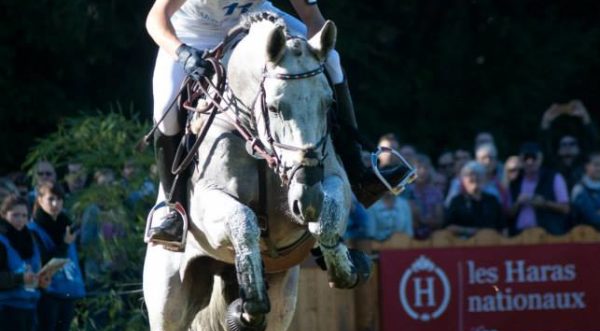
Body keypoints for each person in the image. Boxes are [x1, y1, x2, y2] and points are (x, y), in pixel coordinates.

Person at [144, 0, 413, 246]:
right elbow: (155, 19)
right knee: (166, 112)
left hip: (256, 24)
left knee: (331, 58)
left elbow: (314, 20)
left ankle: (359, 174)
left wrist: (315, 54)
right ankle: (173, 209)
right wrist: (183, 54)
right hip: (193, 34)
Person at [27, 181, 85, 331]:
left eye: (59, 199)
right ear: (39, 200)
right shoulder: (33, 229)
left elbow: (75, 259)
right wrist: (65, 244)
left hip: (69, 289)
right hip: (47, 292)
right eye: (50, 199)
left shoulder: (66, 224)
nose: (55, 204)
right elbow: (43, 262)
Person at [0, 195, 49, 331]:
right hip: (7, 309)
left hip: (29, 307)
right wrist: (20, 278)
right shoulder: (2, 241)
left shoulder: (30, 238)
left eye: (24, 215)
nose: (20, 219)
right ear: (3, 214)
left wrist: (41, 281)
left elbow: (35, 268)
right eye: (15, 215)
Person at [508, 142, 570, 235]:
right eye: (526, 158)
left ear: (540, 159)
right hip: (519, 236)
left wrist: (544, 203)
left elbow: (566, 208)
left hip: (547, 235)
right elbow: (507, 214)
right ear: (520, 160)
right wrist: (518, 203)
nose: (530, 162)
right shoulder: (515, 182)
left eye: (533, 158)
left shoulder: (554, 178)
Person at [540, 100, 598, 192]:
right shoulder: (553, 167)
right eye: (564, 144)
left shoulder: (584, 166)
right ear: (558, 150)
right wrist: (546, 121)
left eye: (572, 144)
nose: (568, 147)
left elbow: (593, 144)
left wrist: (585, 117)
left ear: (578, 148)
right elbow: (544, 148)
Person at [445, 161, 505, 238]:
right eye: (470, 175)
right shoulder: (457, 201)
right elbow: (449, 227)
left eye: (478, 175)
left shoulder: (492, 200)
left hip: (490, 243)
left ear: (484, 179)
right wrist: (472, 231)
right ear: (463, 180)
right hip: (464, 244)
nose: (474, 178)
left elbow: (502, 227)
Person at [410, 154, 444, 239]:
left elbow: (440, 221)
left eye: (425, 168)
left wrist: (422, 220)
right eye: (418, 168)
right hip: (409, 238)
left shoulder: (436, 193)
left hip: (433, 238)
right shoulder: (406, 191)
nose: (422, 171)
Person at [571, 152, 600, 230]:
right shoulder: (579, 189)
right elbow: (593, 218)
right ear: (586, 166)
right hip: (585, 237)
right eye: (596, 165)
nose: (599, 168)